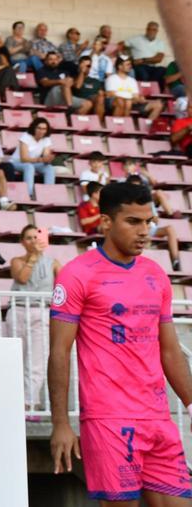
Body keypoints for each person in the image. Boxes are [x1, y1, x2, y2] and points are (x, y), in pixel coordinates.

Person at [49, 181, 192, 504]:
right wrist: (60, 423)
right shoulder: (77, 274)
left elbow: (169, 349)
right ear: (106, 223)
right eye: (133, 221)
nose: (144, 231)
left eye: (148, 222)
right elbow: (59, 351)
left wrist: (190, 402)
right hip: (108, 420)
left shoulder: (156, 274)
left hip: (158, 418)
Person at [7, 225, 59, 410]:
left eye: (35, 237)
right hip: (19, 311)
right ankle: (14, 401)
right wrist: (33, 258)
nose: (32, 241)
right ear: (22, 242)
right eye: (28, 238)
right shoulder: (16, 261)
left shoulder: (53, 262)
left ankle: (30, 403)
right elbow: (21, 278)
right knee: (15, 358)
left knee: (36, 360)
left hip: (41, 311)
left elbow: (64, 284)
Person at [106, 56, 164, 120]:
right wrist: (130, 98)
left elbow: (135, 96)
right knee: (124, 102)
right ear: (120, 66)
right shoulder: (112, 78)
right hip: (116, 102)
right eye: (127, 64)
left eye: (130, 64)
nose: (130, 66)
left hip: (132, 102)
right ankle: (120, 124)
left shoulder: (132, 80)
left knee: (158, 104)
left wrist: (140, 99)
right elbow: (111, 94)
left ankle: (147, 126)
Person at [10, 117, 56, 198]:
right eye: (39, 128)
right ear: (34, 127)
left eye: (44, 129)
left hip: (34, 162)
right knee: (29, 167)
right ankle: (29, 195)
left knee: (49, 168)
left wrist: (48, 159)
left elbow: (45, 155)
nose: (41, 131)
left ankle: (48, 195)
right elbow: (24, 158)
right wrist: (41, 159)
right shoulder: (26, 136)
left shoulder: (46, 139)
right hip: (17, 162)